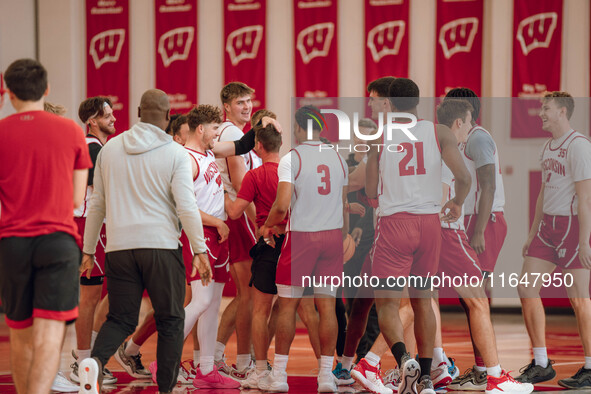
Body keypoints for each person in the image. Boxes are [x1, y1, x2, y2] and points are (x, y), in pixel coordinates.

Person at [80, 89, 212, 394]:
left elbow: (96, 203)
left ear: (138, 112)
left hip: (118, 248)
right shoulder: (176, 153)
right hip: (161, 248)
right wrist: (200, 250)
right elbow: (186, 206)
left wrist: (88, 251)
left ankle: (94, 365)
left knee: (120, 318)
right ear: (168, 117)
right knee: (171, 319)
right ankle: (166, 388)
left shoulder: (110, 149)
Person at [365, 78, 471, 394]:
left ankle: (403, 360)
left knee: (387, 304)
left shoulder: (378, 135)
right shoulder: (439, 132)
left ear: (390, 103)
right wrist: (456, 203)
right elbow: (463, 177)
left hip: (395, 224)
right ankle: (425, 377)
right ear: (417, 101)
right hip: (429, 224)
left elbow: (371, 190)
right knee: (423, 302)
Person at [0, 58, 92, 394]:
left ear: (9, 93)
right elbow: (76, 199)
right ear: (47, 89)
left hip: (12, 244)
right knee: (50, 335)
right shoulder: (70, 131)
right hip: (57, 241)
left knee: (21, 336)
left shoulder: (1, 133)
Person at [436, 99, 533, 394]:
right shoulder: (459, 141)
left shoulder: (476, 137)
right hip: (468, 219)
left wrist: (478, 229)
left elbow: (488, 185)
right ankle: (479, 370)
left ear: (465, 118)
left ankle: (485, 372)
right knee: (467, 299)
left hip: (484, 221)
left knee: (474, 297)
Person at [260, 105, 349, 392]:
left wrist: (269, 226)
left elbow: (282, 204)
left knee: (288, 305)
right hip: (332, 237)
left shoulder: (292, 158)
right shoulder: (338, 158)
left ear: (299, 128)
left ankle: (280, 377)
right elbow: (344, 206)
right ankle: (325, 377)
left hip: (301, 239)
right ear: (321, 127)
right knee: (327, 308)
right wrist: (342, 237)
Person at [516, 92, 591, 389]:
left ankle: (589, 367)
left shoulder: (579, 146)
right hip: (547, 227)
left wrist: (584, 241)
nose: (540, 114)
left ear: (562, 111)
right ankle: (542, 362)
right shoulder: (547, 147)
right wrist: (533, 232)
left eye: (545, 109)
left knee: (578, 299)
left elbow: (585, 197)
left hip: (572, 228)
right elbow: (543, 194)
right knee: (525, 286)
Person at [224, 123, 287, 389]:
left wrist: (223, 194)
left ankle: (260, 370)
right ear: (280, 145)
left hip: (268, 244)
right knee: (294, 309)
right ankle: (324, 371)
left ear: (258, 146)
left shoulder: (254, 175)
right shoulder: (291, 171)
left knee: (260, 310)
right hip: (292, 244)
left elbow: (236, 212)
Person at [72, 96, 124, 385]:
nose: (113, 118)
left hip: (99, 226)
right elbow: (99, 189)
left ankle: (89, 357)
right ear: (92, 121)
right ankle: (83, 363)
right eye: (107, 115)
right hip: (88, 225)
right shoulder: (93, 148)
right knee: (89, 298)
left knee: (104, 295)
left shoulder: (101, 148)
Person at [215, 81, 258, 379]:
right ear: (226, 107)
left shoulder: (233, 134)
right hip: (238, 215)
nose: (246, 106)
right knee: (249, 294)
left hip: (231, 214)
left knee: (244, 294)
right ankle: (244, 361)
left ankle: (216, 354)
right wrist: (263, 222)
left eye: (249, 101)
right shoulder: (231, 133)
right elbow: (242, 187)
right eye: (240, 102)